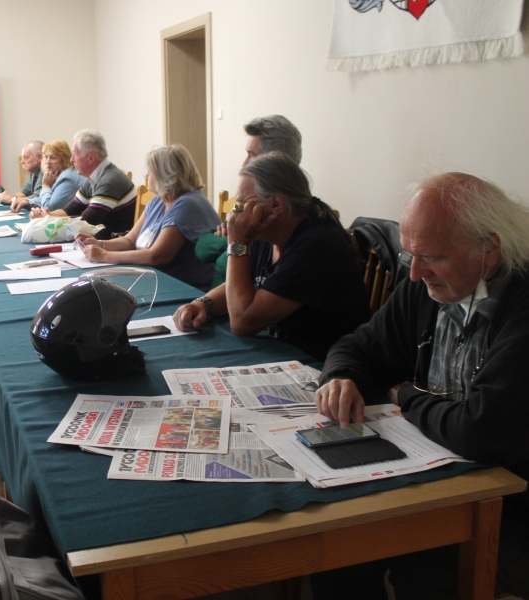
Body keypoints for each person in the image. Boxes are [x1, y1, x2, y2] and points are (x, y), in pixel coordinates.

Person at [312, 172, 529, 600]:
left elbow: (479, 430)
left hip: (513, 502)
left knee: (425, 570)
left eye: (431, 257)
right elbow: (359, 346)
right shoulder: (431, 286)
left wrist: (405, 395)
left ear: (489, 249)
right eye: (410, 255)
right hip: (443, 477)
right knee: (337, 545)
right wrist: (341, 376)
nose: (414, 274)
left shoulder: (520, 302)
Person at [172, 152, 370, 361]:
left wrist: (237, 242)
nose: (236, 213)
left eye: (243, 204)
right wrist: (203, 304)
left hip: (321, 364)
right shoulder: (267, 234)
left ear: (276, 205)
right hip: (282, 351)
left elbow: (242, 322)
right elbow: (239, 286)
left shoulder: (316, 246)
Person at [75, 144, 220, 290]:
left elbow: (156, 256)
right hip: (160, 280)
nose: (146, 176)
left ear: (166, 176)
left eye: (151, 172)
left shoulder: (187, 204)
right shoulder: (159, 199)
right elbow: (130, 241)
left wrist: (104, 256)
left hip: (189, 289)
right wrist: (99, 244)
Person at [195, 115, 303, 287]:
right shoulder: (251, 202)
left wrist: (234, 241)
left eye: (251, 155)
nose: (244, 163)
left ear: (276, 160)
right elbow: (201, 247)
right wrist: (233, 242)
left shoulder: (274, 214)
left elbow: (226, 263)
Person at [38, 129, 136, 239]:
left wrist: (47, 219)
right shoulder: (94, 178)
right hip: (97, 238)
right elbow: (71, 210)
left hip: (111, 242)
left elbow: (86, 221)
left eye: (75, 154)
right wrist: (46, 215)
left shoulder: (109, 180)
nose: (72, 159)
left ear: (91, 157)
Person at [22, 140, 84, 214]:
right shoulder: (56, 174)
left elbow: (49, 208)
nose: (48, 161)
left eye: (53, 158)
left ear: (64, 159)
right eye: (46, 157)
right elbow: (51, 198)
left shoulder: (67, 178)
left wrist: (46, 186)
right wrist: (28, 202)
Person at [4, 140, 44, 208]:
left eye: (26, 157)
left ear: (39, 157)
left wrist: (12, 199)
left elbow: (37, 198)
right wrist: (8, 197)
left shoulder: (45, 171)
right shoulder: (34, 171)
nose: (21, 162)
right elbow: (23, 192)